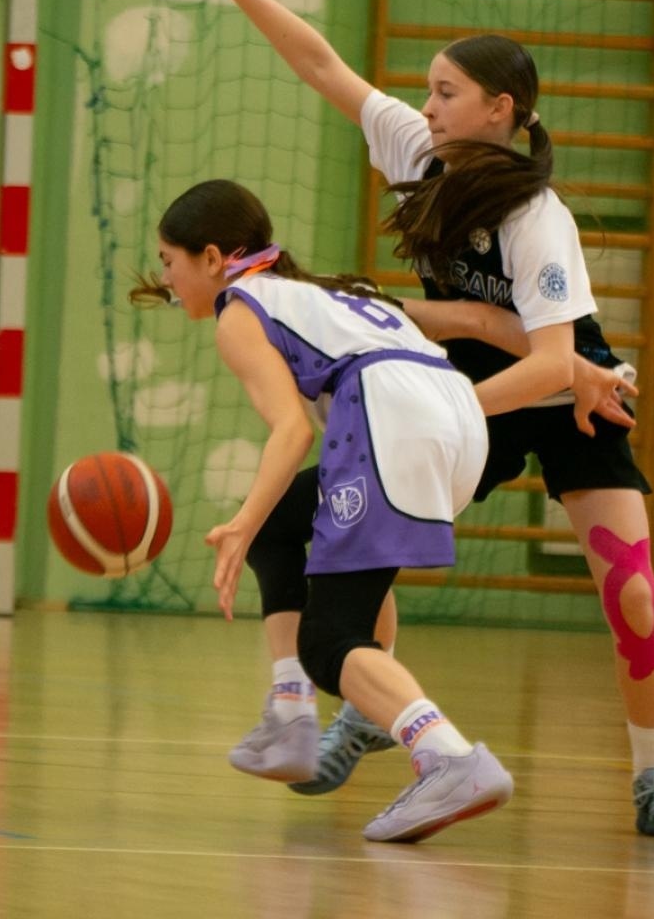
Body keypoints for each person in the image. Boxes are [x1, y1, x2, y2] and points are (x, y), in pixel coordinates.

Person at [183, 0, 654, 838]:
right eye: (425, 89)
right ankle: (368, 712)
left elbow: (552, 363)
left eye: (444, 92)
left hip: (564, 389)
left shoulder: (538, 218)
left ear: (500, 111)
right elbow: (322, 64)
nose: (423, 105)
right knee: (355, 536)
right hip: (463, 381)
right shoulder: (418, 154)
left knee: (627, 582)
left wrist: (460, 342)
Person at [131, 179, 512, 844]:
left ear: (215, 257)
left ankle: (447, 756)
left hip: (391, 419)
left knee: (328, 639)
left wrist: (240, 517)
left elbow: (292, 432)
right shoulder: (328, 291)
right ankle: (290, 713)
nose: (167, 278)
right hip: (457, 421)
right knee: (283, 531)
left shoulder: (239, 310)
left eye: (170, 260)